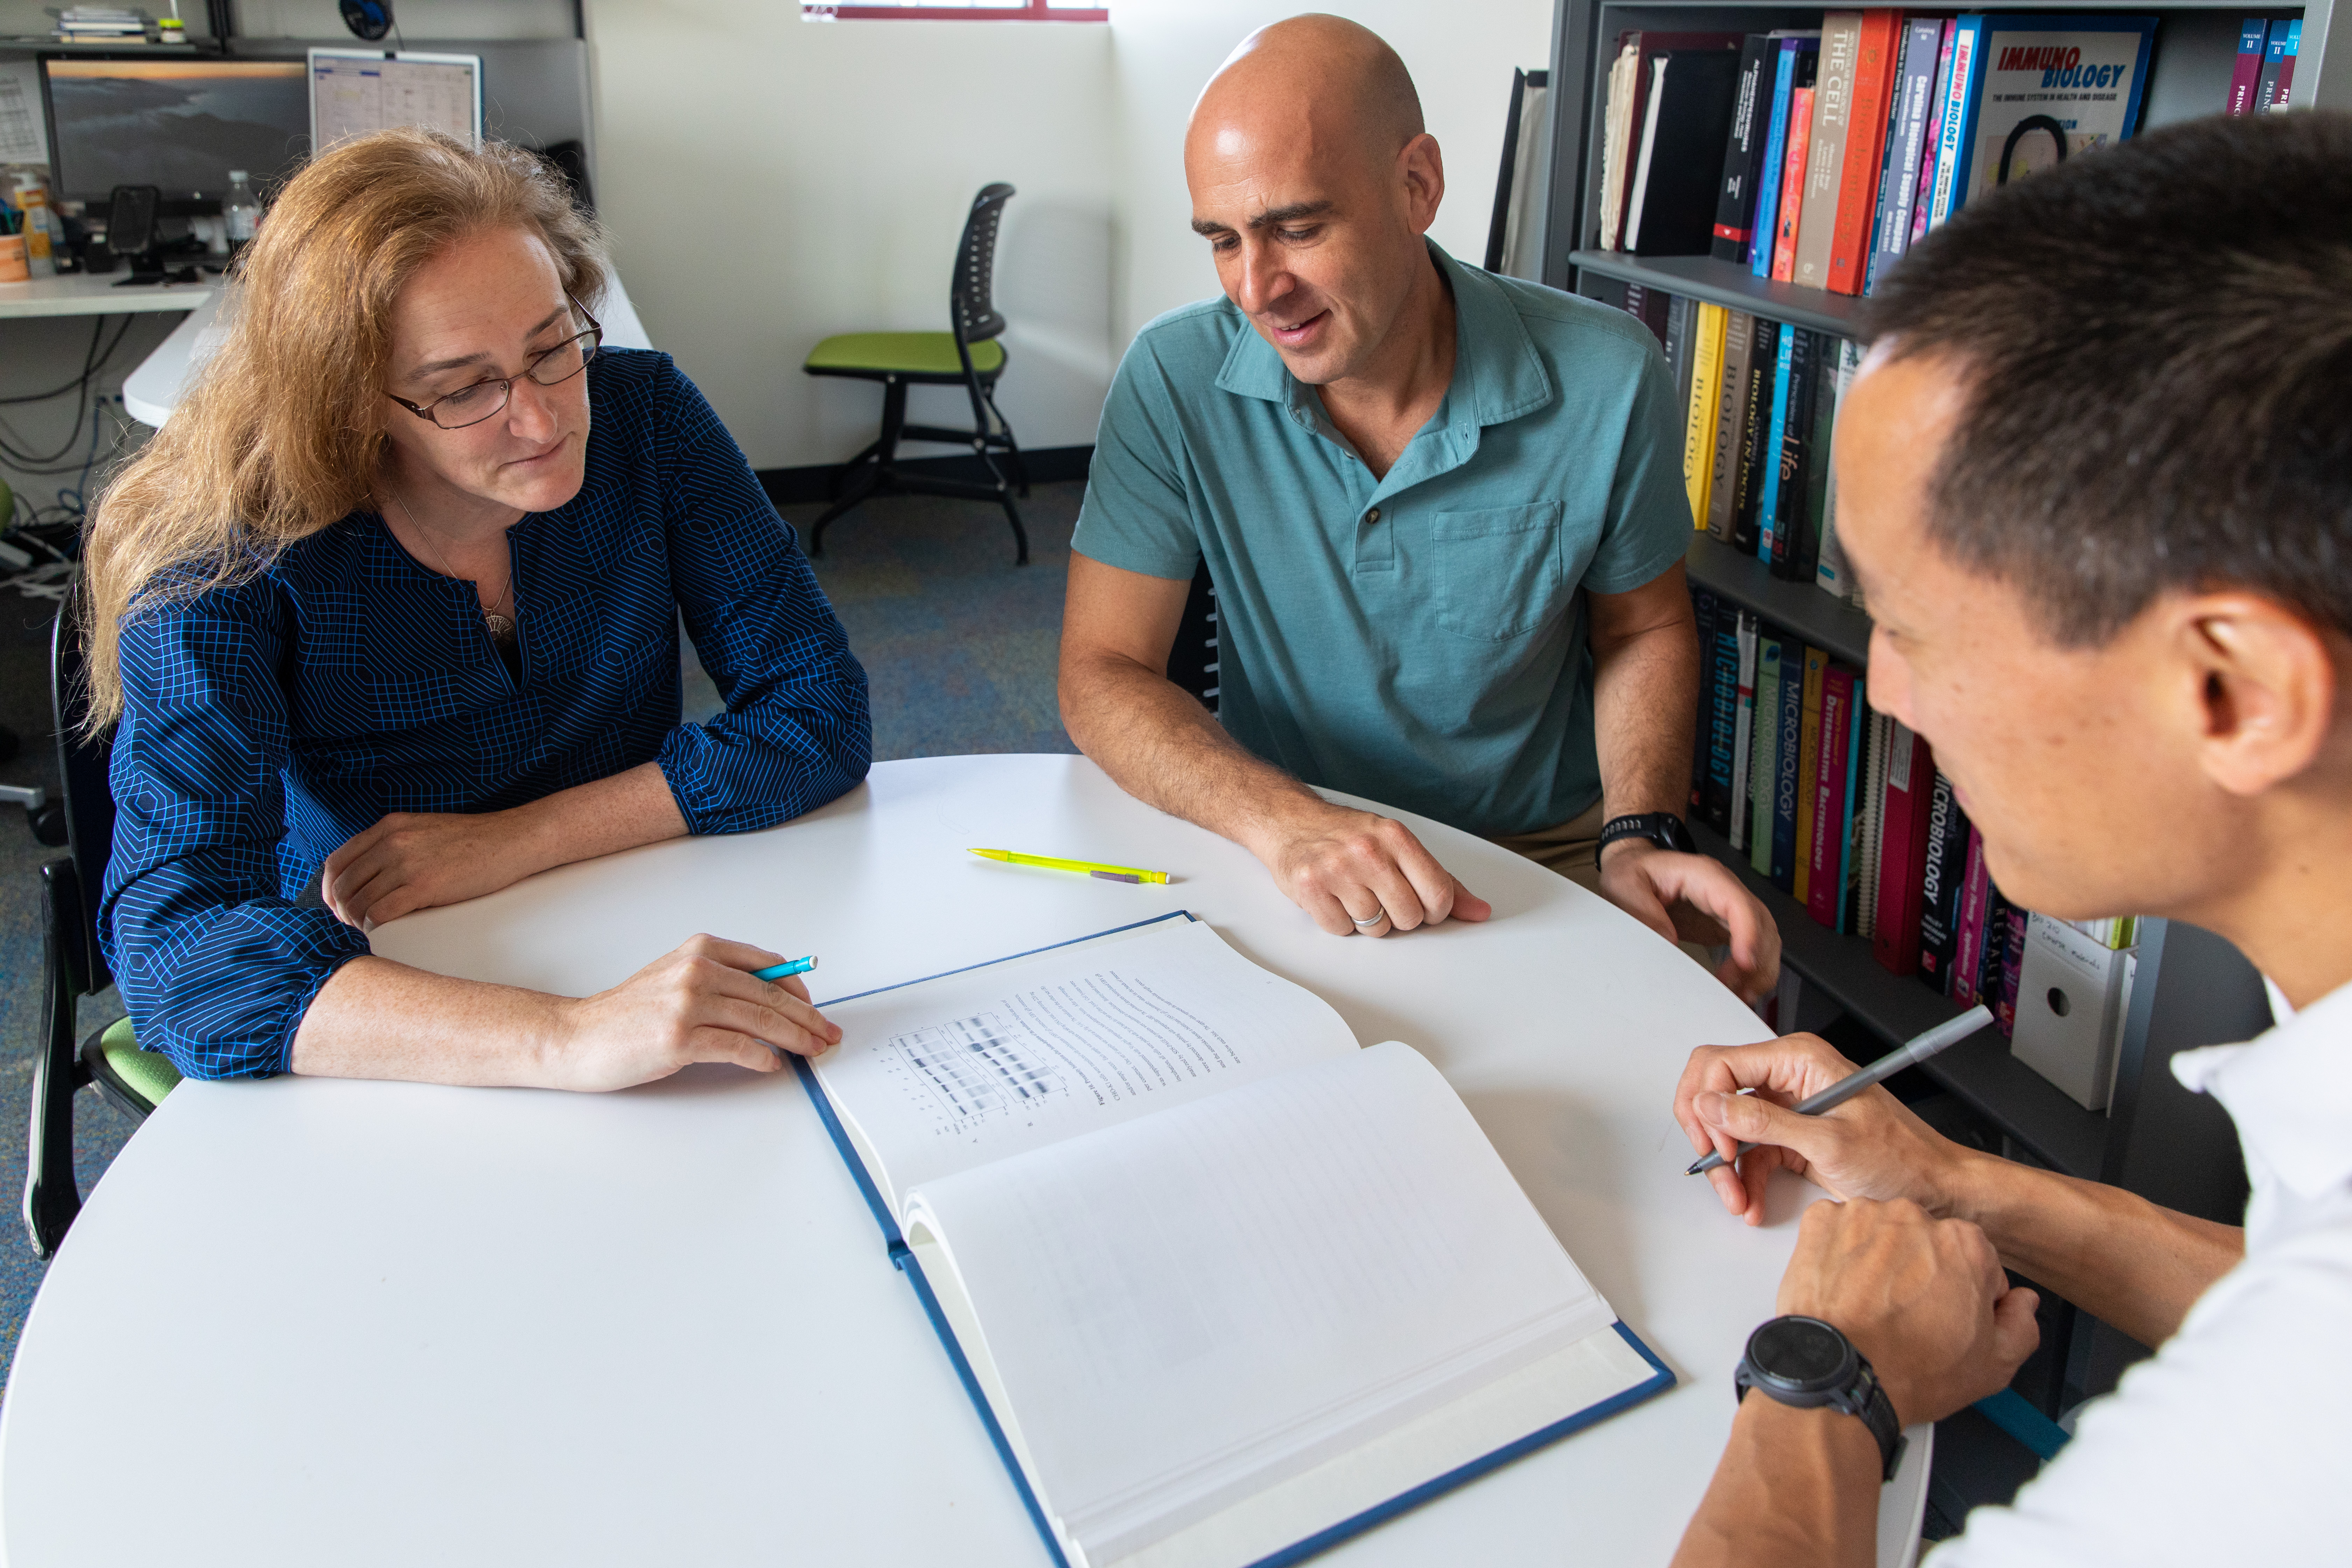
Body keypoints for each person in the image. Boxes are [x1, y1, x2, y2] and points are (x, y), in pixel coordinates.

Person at [1668, 111, 2352, 1566]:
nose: (1891, 697)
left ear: (2232, 687)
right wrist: (1954, 1182)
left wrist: (1824, 1375)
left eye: (1912, 629)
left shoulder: (2290, 1430)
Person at [89, 129, 869, 1091]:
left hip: (639, 900)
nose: (543, 421)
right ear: (346, 401)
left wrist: (519, 840)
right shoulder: (228, 553)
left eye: (553, 349)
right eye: (463, 389)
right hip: (391, 974)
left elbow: (819, 710)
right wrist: (568, 1038)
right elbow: (181, 952)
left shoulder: (646, 417)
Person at [1058, 14, 1778, 999]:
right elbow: (1102, 671)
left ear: (1418, 186)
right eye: (1223, 241)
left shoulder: (1609, 373)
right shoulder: (1173, 377)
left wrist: (1638, 829)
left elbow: (1644, 627)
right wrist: (1285, 823)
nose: (1258, 289)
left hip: (1541, 859)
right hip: (1293, 842)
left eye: (1299, 228)